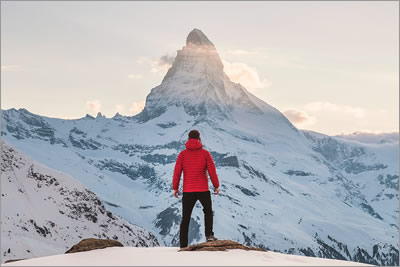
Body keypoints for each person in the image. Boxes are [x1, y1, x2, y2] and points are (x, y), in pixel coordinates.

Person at [172, 129, 220, 248]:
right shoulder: (205, 153)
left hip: (188, 191)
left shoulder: (182, 154)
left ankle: (183, 244)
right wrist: (216, 186)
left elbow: (177, 172)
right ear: (199, 139)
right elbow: (212, 171)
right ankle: (209, 235)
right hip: (203, 189)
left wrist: (175, 188)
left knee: (186, 217)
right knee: (208, 211)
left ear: (188, 139)